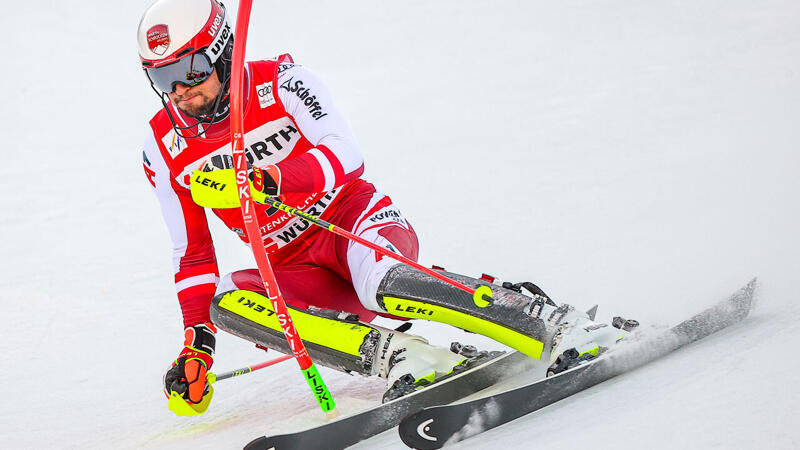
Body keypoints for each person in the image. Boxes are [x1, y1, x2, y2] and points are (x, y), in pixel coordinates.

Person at [138, 0, 630, 416]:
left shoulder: (283, 81)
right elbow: (193, 253)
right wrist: (195, 345)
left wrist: (265, 180)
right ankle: (405, 357)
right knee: (225, 301)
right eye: (165, 76)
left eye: (191, 70)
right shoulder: (164, 146)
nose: (182, 90)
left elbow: (345, 153)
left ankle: (557, 324)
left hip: (352, 222)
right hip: (294, 266)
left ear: (223, 51)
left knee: (380, 284)